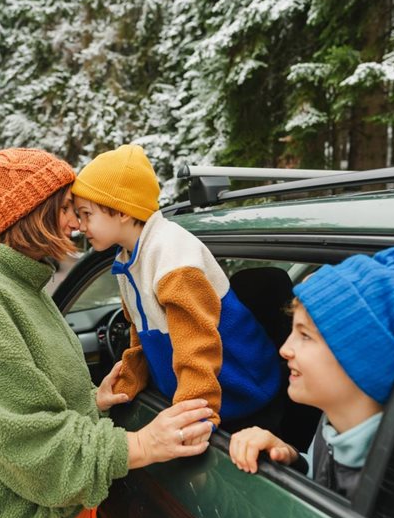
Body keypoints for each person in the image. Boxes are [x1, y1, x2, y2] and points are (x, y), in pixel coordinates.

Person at [0, 146, 213, 518]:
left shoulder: (21, 286)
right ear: (35, 212)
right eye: (68, 208)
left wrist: (93, 402)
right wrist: (142, 444)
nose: (76, 222)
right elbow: (27, 444)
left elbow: (24, 400)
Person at [71, 144, 284, 428]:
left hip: (244, 398)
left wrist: (192, 417)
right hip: (207, 399)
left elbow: (197, 344)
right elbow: (142, 332)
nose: (80, 226)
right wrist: (128, 380)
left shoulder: (173, 256)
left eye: (86, 214)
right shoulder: (127, 259)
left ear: (120, 210)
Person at [228, 247, 394, 499]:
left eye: (305, 335)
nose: (285, 349)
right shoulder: (334, 426)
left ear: (358, 355)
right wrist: (295, 461)